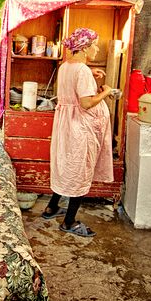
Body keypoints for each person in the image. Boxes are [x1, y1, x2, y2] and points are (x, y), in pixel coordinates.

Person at [40, 27, 117, 237]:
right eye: (95, 46)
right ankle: (69, 222)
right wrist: (107, 92)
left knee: (67, 166)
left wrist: (90, 74)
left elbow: (74, 86)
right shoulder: (81, 70)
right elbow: (86, 103)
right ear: (85, 47)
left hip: (67, 125)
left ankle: (51, 208)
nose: (96, 50)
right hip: (80, 128)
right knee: (79, 171)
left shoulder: (66, 66)